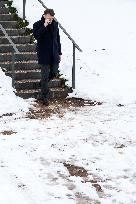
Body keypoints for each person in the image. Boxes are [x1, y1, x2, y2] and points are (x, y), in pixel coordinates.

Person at [33, 9, 62, 106]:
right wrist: (44, 25)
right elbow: (36, 36)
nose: (50, 20)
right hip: (44, 54)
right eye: (49, 18)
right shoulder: (37, 24)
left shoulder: (55, 24)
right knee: (45, 76)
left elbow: (57, 38)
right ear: (44, 16)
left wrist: (59, 52)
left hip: (54, 53)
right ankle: (44, 96)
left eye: (52, 18)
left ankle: (42, 83)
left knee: (54, 72)